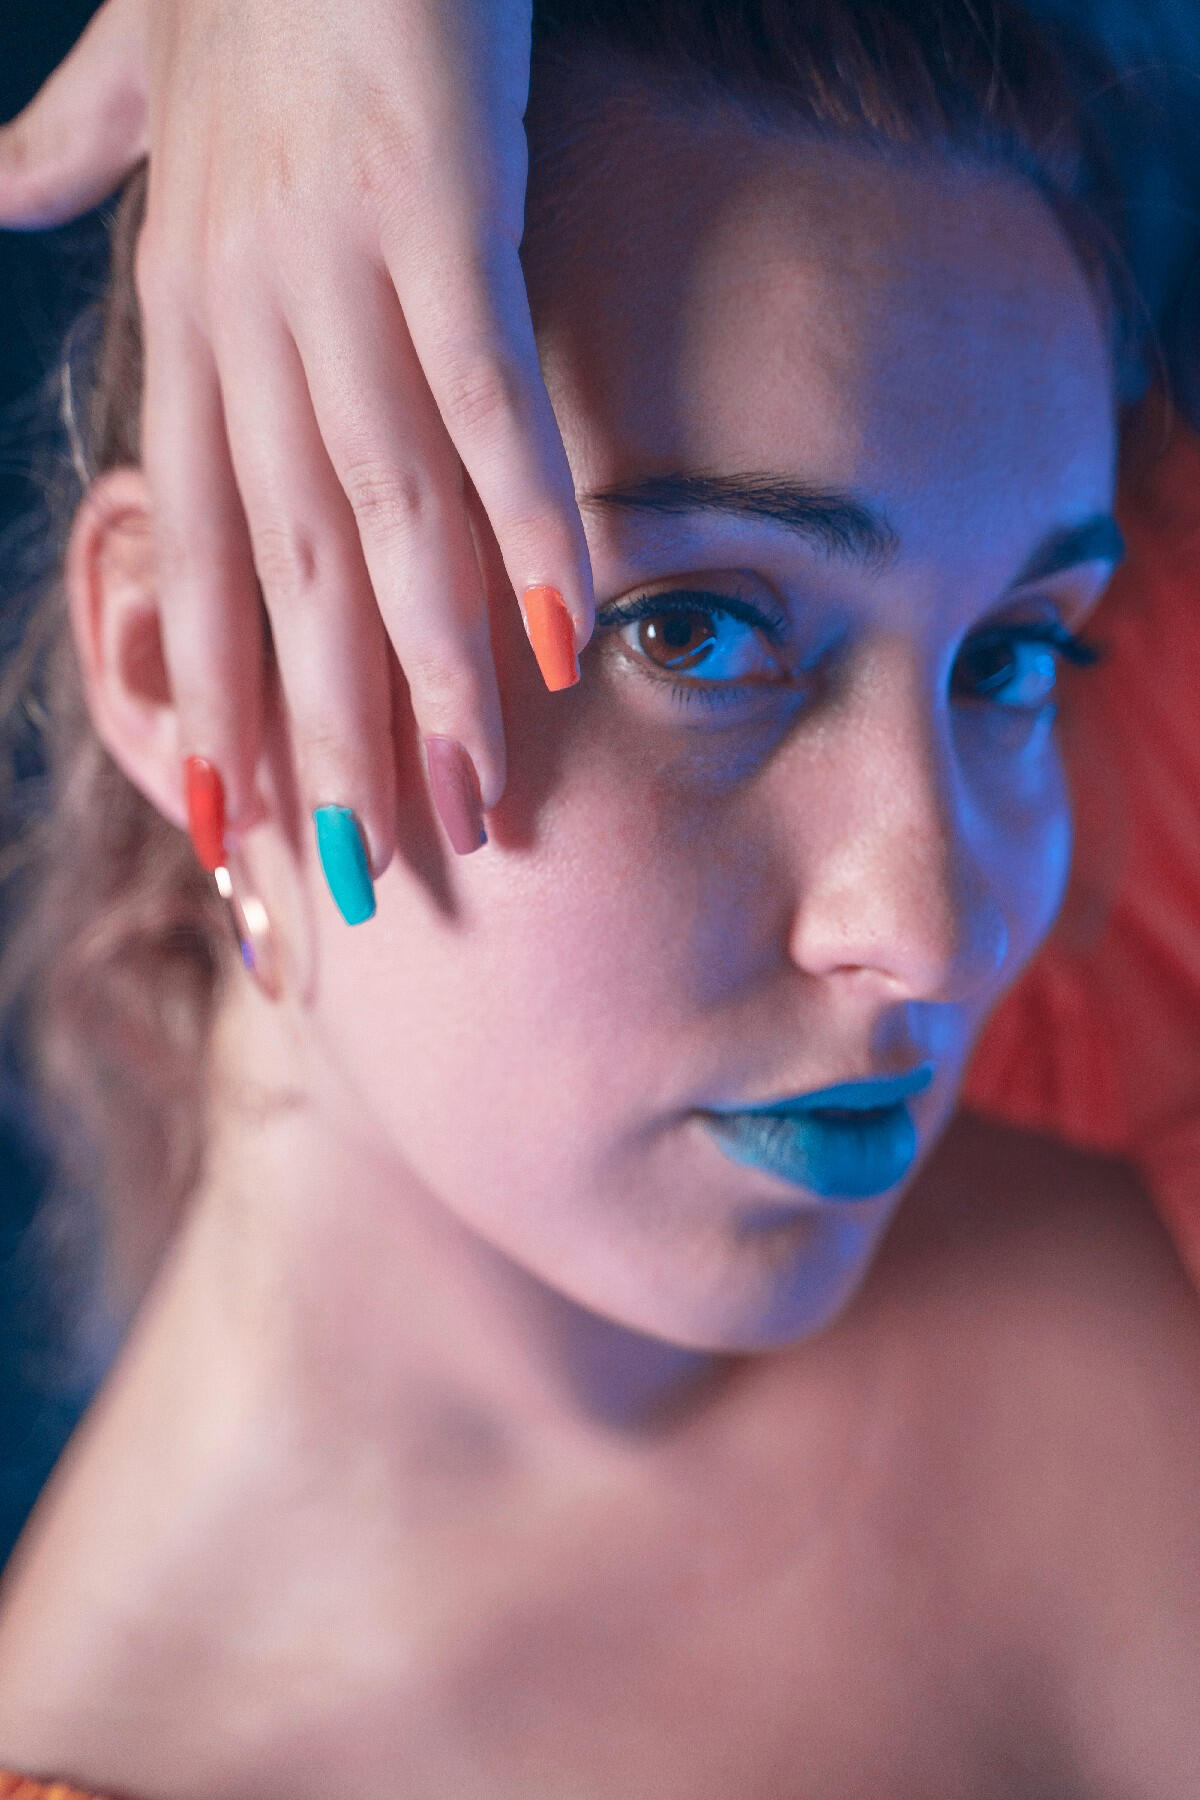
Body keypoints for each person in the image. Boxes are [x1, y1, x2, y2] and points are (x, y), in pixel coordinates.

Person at [0, 1, 1198, 1796]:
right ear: (189, 663)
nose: (943, 930)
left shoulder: (1123, 1162)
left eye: (1012, 657)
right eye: (691, 633)